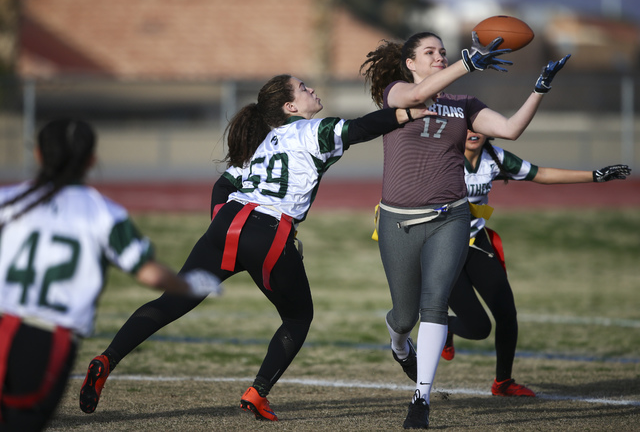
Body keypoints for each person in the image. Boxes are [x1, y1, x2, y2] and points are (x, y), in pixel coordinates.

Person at [78, 74, 433, 422]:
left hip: (228, 221)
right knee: (298, 317)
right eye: (304, 88)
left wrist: (223, 226)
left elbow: (223, 185)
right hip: (269, 230)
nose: (312, 89)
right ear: (290, 105)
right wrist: (407, 114)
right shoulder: (309, 131)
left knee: (170, 302)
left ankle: (107, 359)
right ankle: (257, 392)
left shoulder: (264, 141)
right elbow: (360, 128)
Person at [360, 30, 570, 429]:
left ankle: (420, 399)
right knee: (405, 317)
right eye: (429, 52)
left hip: (451, 215)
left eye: (443, 51)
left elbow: (509, 130)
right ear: (410, 63)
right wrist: (467, 64)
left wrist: (538, 89)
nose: (439, 56)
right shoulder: (397, 91)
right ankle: (398, 342)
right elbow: (418, 98)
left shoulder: (464, 103)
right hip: (398, 220)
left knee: (435, 305)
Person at [0, 119, 222, 432]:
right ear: (92, 160)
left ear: (37, 154)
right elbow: (149, 273)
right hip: (45, 340)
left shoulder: (7, 200)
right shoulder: (103, 213)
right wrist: (188, 284)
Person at [441, 129, 631, 397]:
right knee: (478, 328)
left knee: (507, 314)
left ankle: (503, 383)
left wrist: (594, 176)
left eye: (481, 126)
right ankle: (445, 327)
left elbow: (541, 174)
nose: (474, 132)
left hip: (477, 245)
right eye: (468, 125)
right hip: (443, 251)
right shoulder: (440, 157)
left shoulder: (494, 158)